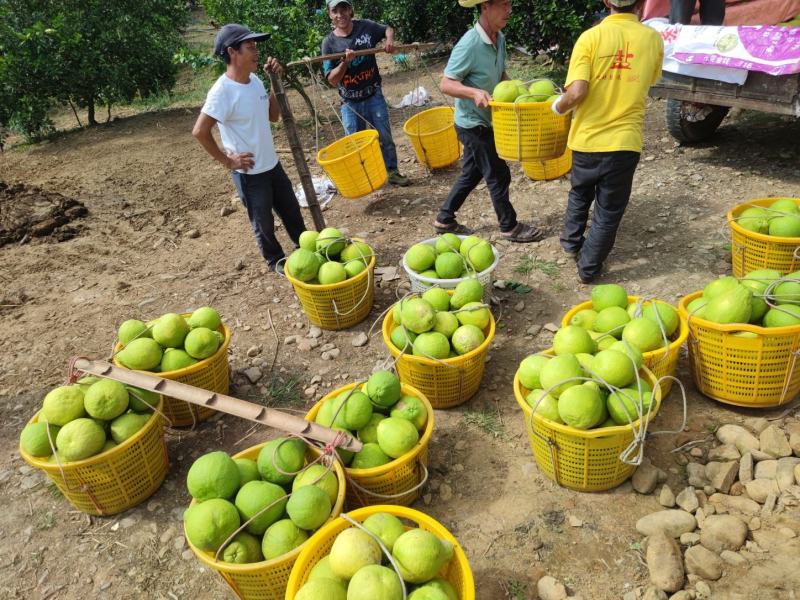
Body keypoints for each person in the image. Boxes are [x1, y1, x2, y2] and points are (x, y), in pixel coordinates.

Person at [552, 0, 664, 283]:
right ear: (641, 3)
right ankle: (588, 269)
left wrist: (558, 107)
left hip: (588, 139)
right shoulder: (652, 38)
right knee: (609, 210)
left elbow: (577, 91)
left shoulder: (591, 37)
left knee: (580, 193)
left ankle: (570, 244)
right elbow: (649, 80)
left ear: (606, 2)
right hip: (625, 141)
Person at [192, 23, 306, 274]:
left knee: (292, 211)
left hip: (272, 164)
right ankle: (275, 259)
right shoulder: (221, 91)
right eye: (250, 46)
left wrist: (276, 83)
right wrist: (229, 161)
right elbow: (200, 131)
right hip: (250, 174)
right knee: (263, 222)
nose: (256, 51)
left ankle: (306, 250)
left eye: (256, 46)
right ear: (232, 52)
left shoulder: (254, 81)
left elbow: (272, 116)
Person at [434, 0, 543, 243]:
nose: (509, 10)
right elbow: (446, 83)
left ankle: (444, 219)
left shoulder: (499, 38)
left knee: (472, 173)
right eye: (503, 4)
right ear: (485, 7)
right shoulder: (470, 44)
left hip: (488, 120)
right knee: (498, 173)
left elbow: (501, 76)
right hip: (472, 124)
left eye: (510, 4)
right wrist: (474, 93)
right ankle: (509, 226)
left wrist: (518, 93)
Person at [322, 0, 410, 187]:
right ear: (330, 14)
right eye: (335, 11)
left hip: (373, 95)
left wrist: (389, 41)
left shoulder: (366, 27)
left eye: (343, 9)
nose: (340, 14)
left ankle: (392, 172)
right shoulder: (329, 43)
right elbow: (332, 80)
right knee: (355, 144)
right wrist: (345, 62)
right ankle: (366, 179)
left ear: (350, 10)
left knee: (385, 137)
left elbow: (388, 28)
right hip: (350, 102)